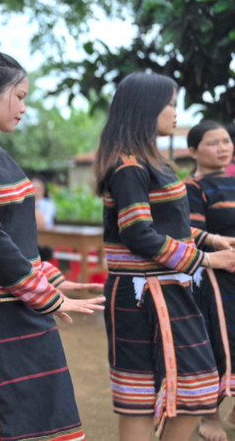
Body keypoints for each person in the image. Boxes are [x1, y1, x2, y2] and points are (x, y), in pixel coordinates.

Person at [0, 48, 104, 441]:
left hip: (22, 306)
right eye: (20, 96)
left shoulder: (0, 156)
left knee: (46, 423)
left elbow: (17, 237)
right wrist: (48, 296)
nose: (24, 107)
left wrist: (51, 279)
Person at [95, 73, 235, 441]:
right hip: (141, 293)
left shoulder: (151, 161)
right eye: (170, 104)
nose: (175, 112)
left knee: (197, 388)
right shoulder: (128, 166)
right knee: (139, 396)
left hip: (168, 287)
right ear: (146, 108)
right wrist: (206, 260)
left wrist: (214, 240)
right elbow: (138, 233)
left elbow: (170, 227)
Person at [184, 120, 235, 441]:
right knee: (219, 342)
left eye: (226, 141)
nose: (223, 148)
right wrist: (222, 249)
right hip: (214, 279)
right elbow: (189, 233)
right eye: (213, 143)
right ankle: (209, 415)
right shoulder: (192, 188)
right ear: (193, 151)